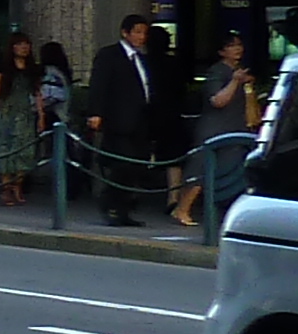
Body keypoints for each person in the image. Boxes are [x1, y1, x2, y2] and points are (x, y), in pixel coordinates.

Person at [173, 29, 258, 232]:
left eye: (239, 45)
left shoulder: (240, 72)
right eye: (231, 46)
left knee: (231, 172)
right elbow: (217, 100)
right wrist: (235, 81)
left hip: (236, 128)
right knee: (200, 172)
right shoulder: (217, 72)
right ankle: (182, 208)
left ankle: (225, 212)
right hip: (214, 129)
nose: (237, 49)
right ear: (221, 51)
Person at [85, 12, 164, 227]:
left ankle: (123, 208)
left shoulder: (142, 58)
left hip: (141, 121)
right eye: (137, 32)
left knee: (137, 166)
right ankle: (112, 203)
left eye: (144, 33)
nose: (141, 37)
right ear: (125, 32)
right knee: (123, 164)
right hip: (118, 120)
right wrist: (95, 113)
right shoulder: (109, 55)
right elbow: (99, 85)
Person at [0, 34, 45, 207]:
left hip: (25, 113)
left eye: (27, 44)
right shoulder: (3, 67)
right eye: (20, 44)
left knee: (24, 152)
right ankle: (6, 188)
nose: (24, 47)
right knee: (4, 148)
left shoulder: (33, 69)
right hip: (6, 112)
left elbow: (37, 93)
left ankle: (17, 186)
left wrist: (41, 115)